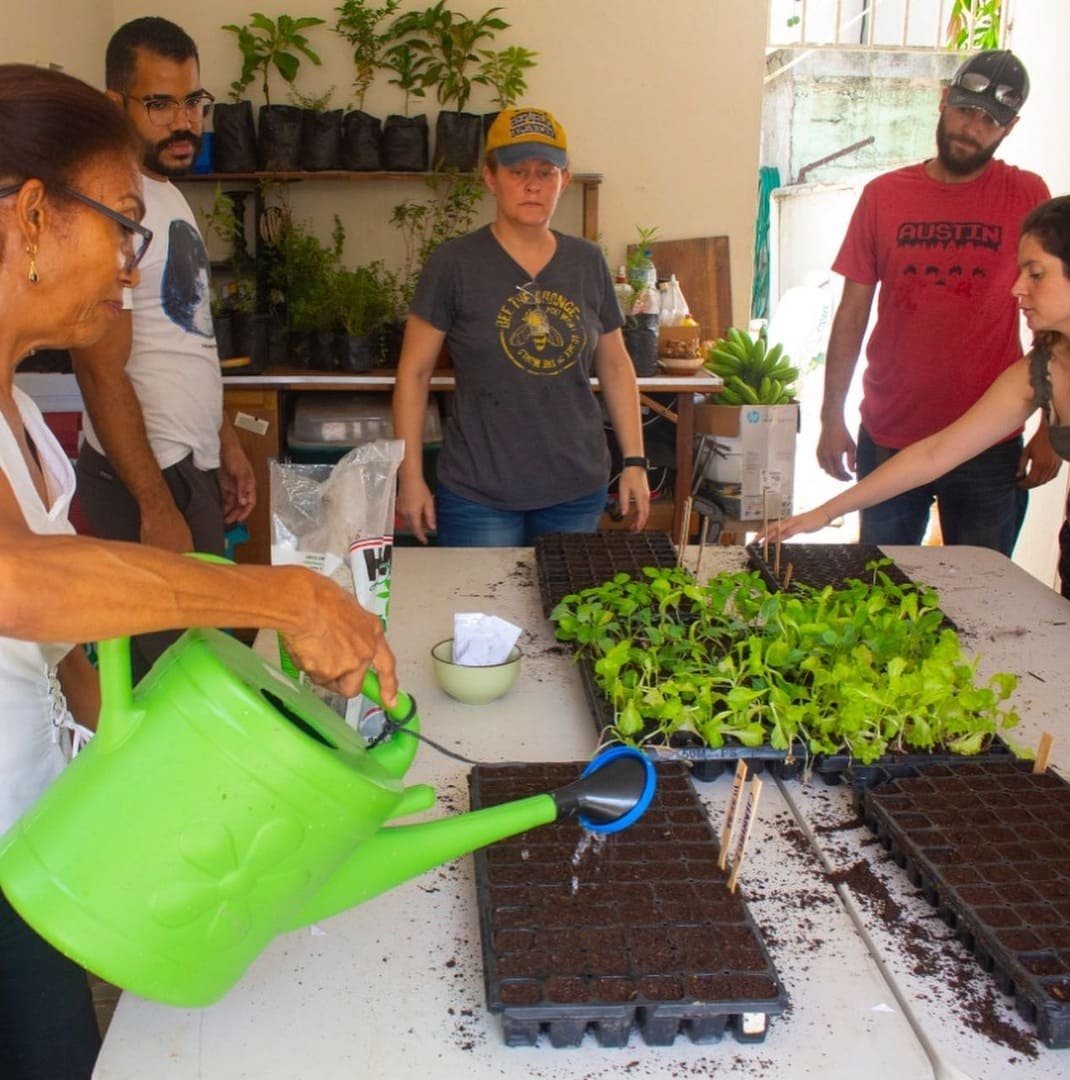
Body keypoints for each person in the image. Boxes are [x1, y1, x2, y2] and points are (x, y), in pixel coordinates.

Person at [0, 65, 395, 1079]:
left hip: (30, 848)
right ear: (34, 217)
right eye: (124, 228)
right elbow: (20, 581)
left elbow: (57, 657)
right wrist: (279, 594)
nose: (132, 270)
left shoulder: (24, 424)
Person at [762, 194, 1070, 606]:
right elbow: (937, 452)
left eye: (1036, 274)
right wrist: (824, 513)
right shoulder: (1042, 368)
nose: (1016, 288)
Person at [71, 17, 256, 681]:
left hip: (186, 462)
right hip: (145, 473)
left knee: (213, 660)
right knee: (185, 680)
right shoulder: (107, 203)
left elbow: (187, 337)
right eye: (161, 104)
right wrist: (155, 505)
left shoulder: (167, 194)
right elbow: (98, 368)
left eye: (193, 101)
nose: (184, 122)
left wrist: (225, 440)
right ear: (114, 102)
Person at [817, 49, 1053, 555]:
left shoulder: (1027, 195)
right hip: (889, 431)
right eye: (965, 110)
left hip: (989, 444)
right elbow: (852, 312)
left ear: (1009, 129)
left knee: (982, 598)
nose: (972, 128)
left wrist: (1052, 427)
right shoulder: (884, 195)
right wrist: (829, 417)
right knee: (882, 592)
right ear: (944, 101)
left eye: (990, 121)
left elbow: (1055, 315)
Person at [392, 106, 650, 546]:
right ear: (490, 178)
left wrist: (635, 461)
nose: (533, 184)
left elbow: (615, 365)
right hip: (479, 491)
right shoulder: (454, 264)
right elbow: (414, 374)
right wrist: (410, 477)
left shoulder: (587, 262)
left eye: (546, 173)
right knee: (482, 613)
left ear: (564, 180)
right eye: (517, 171)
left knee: (563, 612)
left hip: (575, 486)